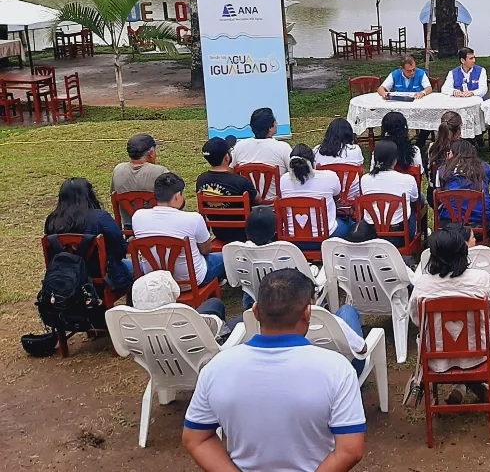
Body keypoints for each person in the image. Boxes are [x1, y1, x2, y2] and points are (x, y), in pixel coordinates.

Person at [183, 270, 366, 472]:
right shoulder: (338, 369)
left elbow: (196, 439)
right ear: (307, 313)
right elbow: (350, 450)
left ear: (255, 310)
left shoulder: (216, 368)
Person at [408, 224, 490, 404]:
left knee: (452, 347)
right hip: (477, 354)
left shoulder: (422, 285)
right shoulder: (481, 279)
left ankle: (464, 386)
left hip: (436, 357)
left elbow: (417, 319)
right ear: (463, 252)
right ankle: (471, 386)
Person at [130, 173, 226, 287]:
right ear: (177, 196)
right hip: (191, 281)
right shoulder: (193, 219)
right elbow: (206, 250)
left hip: (154, 282)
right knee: (226, 257)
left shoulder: (138, 217)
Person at [45, 177, 132, 291]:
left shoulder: (52, 220)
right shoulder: (100, 217)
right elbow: (119, 249)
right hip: (103, 276)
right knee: (138, 268)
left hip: (66, 275)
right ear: (89, 195)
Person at [133, 270, 232, 343]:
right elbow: (214, 324)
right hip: (200, 353)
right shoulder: (184, 322)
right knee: (242, 321)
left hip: (168, 359)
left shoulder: (133, 333)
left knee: (215, 303)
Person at [279, 144, 354, 241]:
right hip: (326, 238)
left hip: (292, 238)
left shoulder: (283, 179)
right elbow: (337, 196)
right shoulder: (329, 176)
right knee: (350, 223)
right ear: (313, 161)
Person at [196, 135, 261, 244]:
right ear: (227, 157)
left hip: (219, 233)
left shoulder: (201, 180)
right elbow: (258, 200)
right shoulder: (240, 181)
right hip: (243, 234)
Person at [359, 139, 421, 246]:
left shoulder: (364, 179)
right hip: (398, 236)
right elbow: (415, 199)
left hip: (371, 234)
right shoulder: (407, 179)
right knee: (412, 209)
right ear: (395, 161)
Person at [435, 140, 490, 240]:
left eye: (449, 152)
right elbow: (486, 189)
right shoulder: (485, 169)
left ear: (454, 154)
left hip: (449, 227)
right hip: (480, 225)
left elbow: (440, 195)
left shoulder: (442, 171)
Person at [231, 107, 293, 199]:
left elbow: (231, 172)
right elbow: (294, 174)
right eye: (275, 121)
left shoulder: (239, 146)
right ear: (270, 128)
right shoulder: (283, 148)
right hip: (275, 206)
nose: (277, 123)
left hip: (249, 206)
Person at [111, 133, 169, 227]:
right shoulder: (161, 171)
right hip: (157, 228)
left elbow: (113, 196)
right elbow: (175, 203)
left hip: (130, 229)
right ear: (151, 153)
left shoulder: (118, 170)